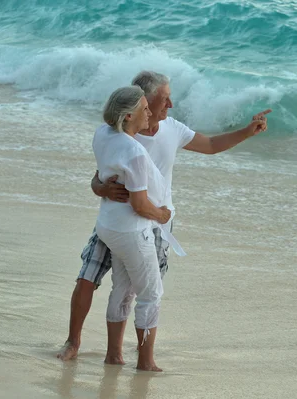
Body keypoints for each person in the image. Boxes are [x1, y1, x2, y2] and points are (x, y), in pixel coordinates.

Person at [58, 71, 270, 361]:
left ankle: (129, 352)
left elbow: (209, 146)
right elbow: (99, 176)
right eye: (163, 98)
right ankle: (74, 343)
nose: (170, 104)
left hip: (155, 224)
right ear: (143, 102)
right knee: (88, 278)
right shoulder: (122, 134)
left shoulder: (172, 129)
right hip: (121, 220)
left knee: (135, 288)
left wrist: (247, 131)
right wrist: (100, 188)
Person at [93, 85, 173, 371]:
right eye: (144, 109)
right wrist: (162, 215)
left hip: (109, 225)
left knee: (123, 289)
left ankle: (114, 355)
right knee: (151, 294)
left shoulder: (103, 134)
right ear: (128, 116)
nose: (150, 112)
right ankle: (146, 361)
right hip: (131, 231)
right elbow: (140, 204)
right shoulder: (135, 151)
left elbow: (100, 176)